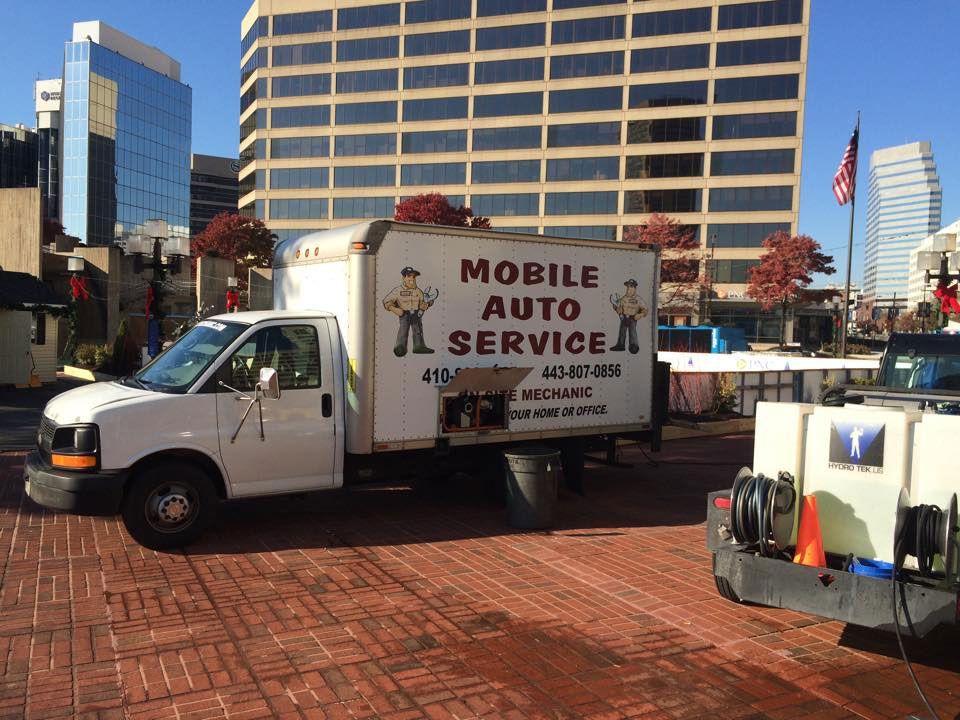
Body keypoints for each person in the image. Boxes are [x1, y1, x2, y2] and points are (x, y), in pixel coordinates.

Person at [382, 266, 436, 356]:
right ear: (403, 278)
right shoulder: (398, 291)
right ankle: (400, 347)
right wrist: (394, 309)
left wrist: (427, 304)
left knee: (418, 329)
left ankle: (419, 346)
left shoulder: (418, 291)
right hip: (404, 314)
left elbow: (424, 301)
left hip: (416, 313)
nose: (412, 279)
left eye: (414, 277)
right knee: (403, 329)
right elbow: (386, 301)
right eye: (409, 276)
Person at [610, 279, 647, 354]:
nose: (628, 289)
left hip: (632, 318)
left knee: (632, 331)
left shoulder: (639, 299)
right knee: (622, 331)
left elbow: (645, 309)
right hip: (624, 317)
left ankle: (633, 346)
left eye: (631, 287)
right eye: (627, 287)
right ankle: (620, 345)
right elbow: (618, 306)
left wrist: (640, 315)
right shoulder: (624, 298)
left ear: (634, 288)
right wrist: (616, 307)